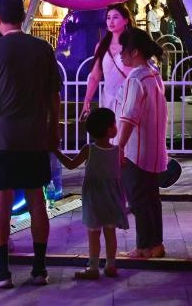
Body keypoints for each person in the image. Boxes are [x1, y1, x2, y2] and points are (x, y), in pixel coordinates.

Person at [0, 0, 61, 288]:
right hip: (35, 137)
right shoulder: (42, 49)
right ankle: (39, 269)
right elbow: (53, 97)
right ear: (22, 16)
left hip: (1, 138)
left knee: (1, 204)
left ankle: (2, 271)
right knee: (38, 201)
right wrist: (53, 131)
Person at [54, 107, 128, 280]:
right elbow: (121, 170)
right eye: (114, 124)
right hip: (112, 198)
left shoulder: (89, 149)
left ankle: (93, 267)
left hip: (94, 198)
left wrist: (55, 151)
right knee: (110, 233)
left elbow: (71, 165)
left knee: (93, 234)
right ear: (110, 130)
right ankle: (111, 265)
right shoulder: (118, 151)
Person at [115, 28, 168, 259]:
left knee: (138, 199)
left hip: (135, 150)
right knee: (151, 198)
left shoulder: (135, 79)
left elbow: (129, 117)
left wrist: (119, 147)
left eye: (122, 50)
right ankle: (156, 243)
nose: (120, 55)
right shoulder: (153, 74)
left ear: (134, 52)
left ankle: (145, 246)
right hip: (153, 148)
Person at [81, 4, 134, 120]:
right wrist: (87, 101)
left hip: (129, 100)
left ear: (125, 20)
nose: (111, 21)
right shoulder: (101, 46)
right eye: (108, 17)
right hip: (108, 100)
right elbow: (95, 76)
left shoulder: (132, 45)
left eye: (115, 17)